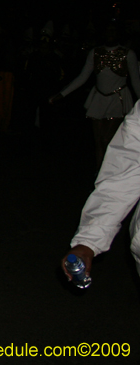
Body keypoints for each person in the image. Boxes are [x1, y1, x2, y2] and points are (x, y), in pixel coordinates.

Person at [62, 100, 140, 283]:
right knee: (101, 139)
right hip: (103, 97)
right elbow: (125, 173)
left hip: (116, 98)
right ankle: (99, 166)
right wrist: (89, 240)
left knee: (105, 137)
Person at [49, 21, 140, 170]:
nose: (110, 33)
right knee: (98, 141)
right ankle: (99, 176)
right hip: (99, 98)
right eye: (107, 30)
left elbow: (136, 81)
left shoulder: (128, 54)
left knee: (107, 139)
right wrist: (61, 94)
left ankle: (109, 173)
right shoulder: (95, 52)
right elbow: (82, 77)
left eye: (113, 30)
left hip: (118, 99)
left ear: (119, 34)